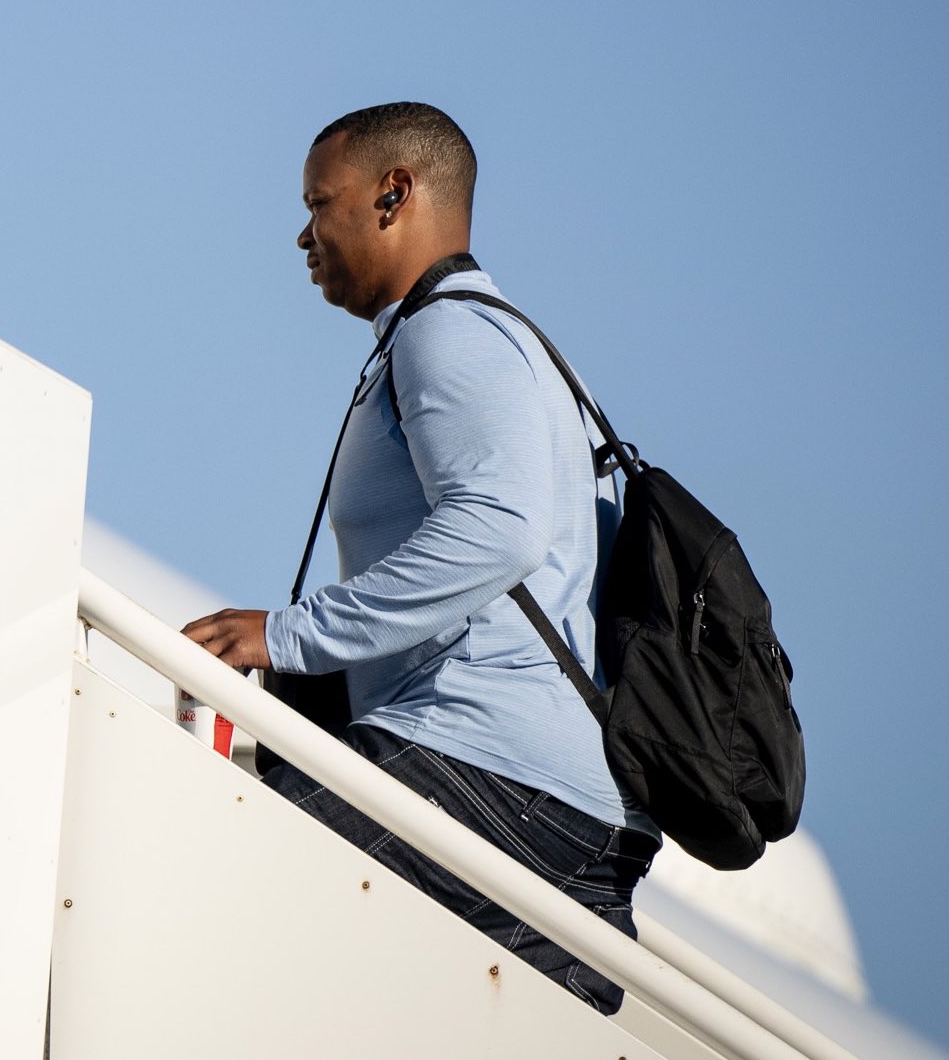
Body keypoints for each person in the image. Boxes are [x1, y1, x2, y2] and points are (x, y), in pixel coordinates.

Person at [182, 102, 657, 1015]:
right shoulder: (511, 344)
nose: (302, 234)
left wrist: (286, 635)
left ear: (393, 194)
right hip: (572, 817)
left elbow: (499, 527)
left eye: (321, 203)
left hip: (489, 772)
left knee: (209, 914)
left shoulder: (451, 333)